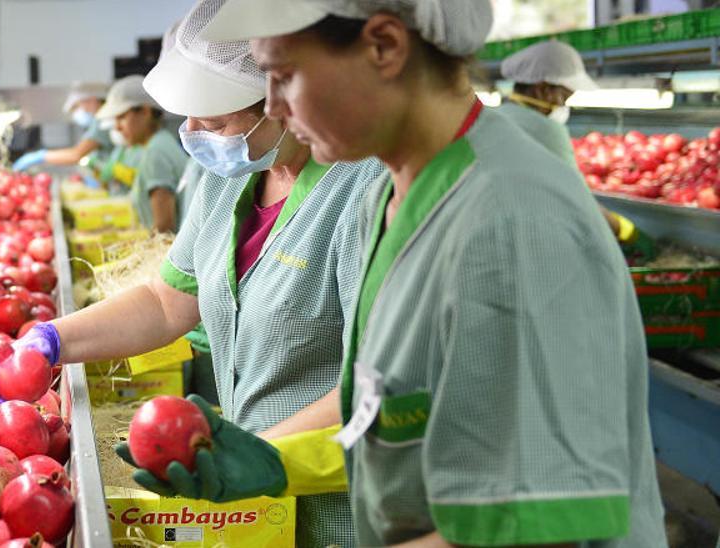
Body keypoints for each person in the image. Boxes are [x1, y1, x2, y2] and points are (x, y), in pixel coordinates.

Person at [171, 0, 668, 545]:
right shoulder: (386, 198)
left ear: (384, 46)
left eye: (285, 76)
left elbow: (527, 526)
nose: (273, 107)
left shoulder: (510, 220)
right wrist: (282, 462)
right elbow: (398, 408)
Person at [0, 2, 384, 545]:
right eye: (190, 119)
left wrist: (258, 455)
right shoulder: (228, 178)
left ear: (280, 101)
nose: (196, 135)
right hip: (249, 506)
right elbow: (167, 300)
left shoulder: (365, 190)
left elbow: (377, 383)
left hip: (341, 507)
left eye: (215, 121)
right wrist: (55, 339)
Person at [501, 40, 656, 259]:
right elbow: (577, 203)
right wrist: (624, 230)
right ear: (543, 89)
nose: (565, 106)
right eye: (565, 97)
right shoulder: (544, 131)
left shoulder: (498, 118)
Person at [94, 75, 191, 232]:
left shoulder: (155, 153)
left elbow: (164, 229)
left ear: (145, 111)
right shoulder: (161, 142)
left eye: (121, 117)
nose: (117, 127)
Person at [13, 82, 114, 186]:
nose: (80, 111)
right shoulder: (97, 122)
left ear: (92, 100)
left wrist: (40, 156)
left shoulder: (102, 121)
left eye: (78, 105)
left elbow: (75, 155)